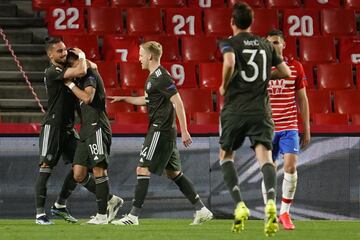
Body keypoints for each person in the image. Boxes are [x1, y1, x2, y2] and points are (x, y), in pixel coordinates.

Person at [108, 41, 213, 226]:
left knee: (142, 168)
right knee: (174, 173)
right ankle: (201, 209)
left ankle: (133, 216)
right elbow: (147, 99)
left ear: (150, 56)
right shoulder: (153, 78)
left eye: (141, 54)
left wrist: (185, 131)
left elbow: (178, 103)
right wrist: (125, 98)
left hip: (160, 130)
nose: (139, 58)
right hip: (164, 131)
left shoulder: (161, 77)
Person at [218, 2, 291, 236]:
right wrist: (264, 77)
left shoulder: (229, 42)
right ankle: (271, 201)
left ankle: (239, 204)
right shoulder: (265, 44)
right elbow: (287, 73)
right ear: (251, 23)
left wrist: (223, 84)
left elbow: (229, 62)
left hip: (235, 109)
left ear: (232, 22)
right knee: (265, 157)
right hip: (261, 110)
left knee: (226, 155)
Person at [35, 37, 121, 225]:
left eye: (65, 50)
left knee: (79, 169)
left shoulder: (72, 73)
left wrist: (84, 60)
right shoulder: (53, 71)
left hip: (69, 128)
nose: (64, 53)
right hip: (53, 126)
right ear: (50, 54)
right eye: (59, 51)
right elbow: (83, 68)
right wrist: (82, 55)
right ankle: (40, 214)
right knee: (45, 167)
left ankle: (60, 206)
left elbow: (91, 67)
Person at [64, 50, 121, 224]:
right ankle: (111, 200)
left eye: (69, 64)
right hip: (85, 129)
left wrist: (71, 85)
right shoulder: (79, 78)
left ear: (76, 62)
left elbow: (88, 98)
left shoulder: (90, 74)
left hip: (97, 125)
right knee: (78, 174)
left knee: (98, 169)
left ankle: (102, 215)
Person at [263, 29, 310, 230]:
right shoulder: (260, 69)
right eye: (269, 43)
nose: (272, 46)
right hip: (266, 128)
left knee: (291, 167)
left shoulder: (296, 67)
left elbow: (302, 98)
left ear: (283, 45)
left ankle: (285, 212)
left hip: (289, 126)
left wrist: (306, 127)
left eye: (275, 42)